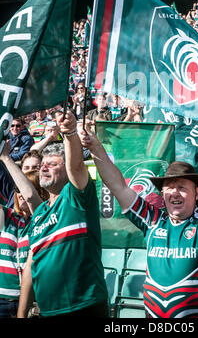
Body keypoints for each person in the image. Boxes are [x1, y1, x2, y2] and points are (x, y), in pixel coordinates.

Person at [78, 122, 198, 319]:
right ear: (162, 193)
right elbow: (117, 185)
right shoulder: (152, 221)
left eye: (181, 187)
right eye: (169, 187)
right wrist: (95, 147)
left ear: (197, 193)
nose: (174, 193)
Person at [17, 110, 108, 318]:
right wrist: (21, 314)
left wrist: (69, 133)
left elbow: (75, 166)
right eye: (42, 165)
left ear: (65, 170)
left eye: (52, 164)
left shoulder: (76, 197)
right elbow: (32, 265)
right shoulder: (39, 213)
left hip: (85, 307)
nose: (44, 168)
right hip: (48, 311)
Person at [0, 141, 43, 318]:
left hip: (33, 302)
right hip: (2, 300)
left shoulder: (43, 218)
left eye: (23, 189)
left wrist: (5, 157)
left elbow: (31, 196)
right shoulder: (8, 216)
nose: (20, 194)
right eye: (17, 190)